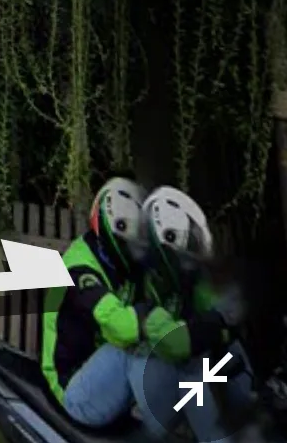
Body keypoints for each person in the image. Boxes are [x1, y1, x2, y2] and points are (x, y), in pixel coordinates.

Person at [134, 186, 256, 442]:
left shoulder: (188, 284)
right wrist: (218, 324)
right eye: (188, 244)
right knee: (194, 373)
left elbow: (225, 316)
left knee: (231, 357)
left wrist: (224, 326)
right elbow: (177, 343)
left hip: (194, 379)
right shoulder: (146, 291)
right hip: (159, 391)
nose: (192, 256)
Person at [41, 175, 151, 425]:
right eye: (131, 244)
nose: (136, 252)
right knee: (133, 349)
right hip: (70, 390)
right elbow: (123, 328)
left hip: (98, 375)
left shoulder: (123, 266)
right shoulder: (78, 269)